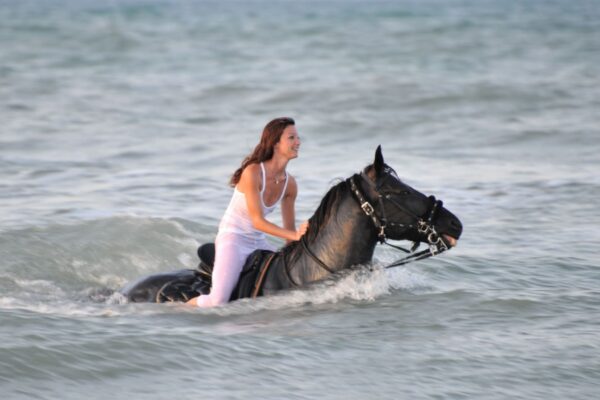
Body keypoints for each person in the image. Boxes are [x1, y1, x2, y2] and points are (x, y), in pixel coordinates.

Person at [187, 117, 309, 307]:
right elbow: (258, 222)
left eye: (298, 137)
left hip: (258, 242)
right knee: (217, 301)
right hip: (233, 238)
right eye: (291, 138)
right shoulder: (252, 172)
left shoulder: (290, 184)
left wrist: (297, 249)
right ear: (276, 143)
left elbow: (288, 233)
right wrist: (295, 235)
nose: (298, 142)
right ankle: (181, 308)